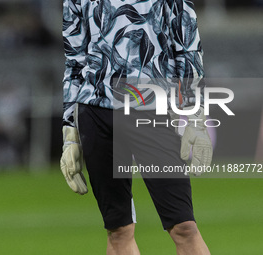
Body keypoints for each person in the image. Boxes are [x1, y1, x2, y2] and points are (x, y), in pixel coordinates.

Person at [60, 0, 212, 254]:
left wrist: (196, 116)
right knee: (118, 230)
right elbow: (74, 61)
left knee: (184, 226)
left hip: (152, 111)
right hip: (96, 112)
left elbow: (188, 48)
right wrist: (70, 133)